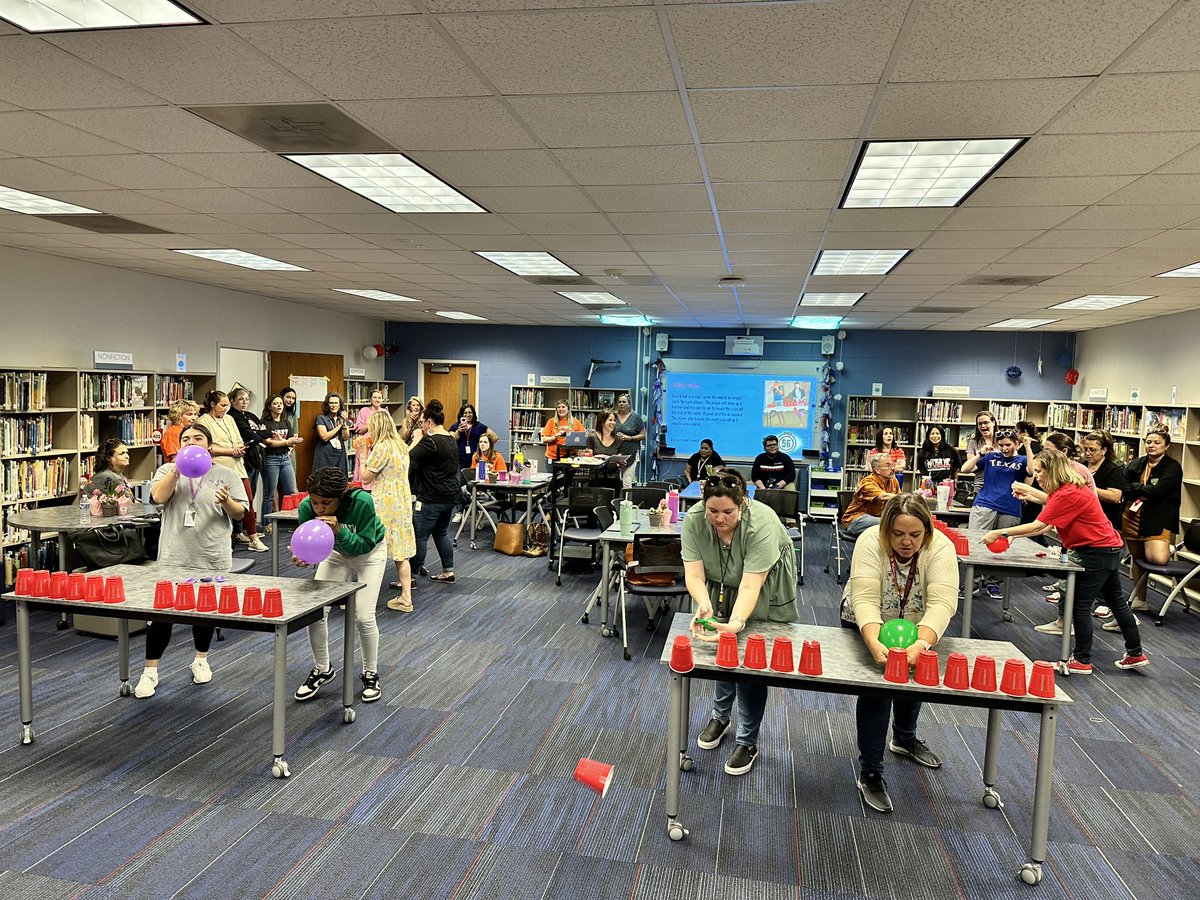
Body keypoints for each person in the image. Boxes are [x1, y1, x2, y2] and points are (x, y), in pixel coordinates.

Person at [844, 494, 959, 813]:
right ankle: (870, 771)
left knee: (914, 673)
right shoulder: (869, 541)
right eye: (898, 534)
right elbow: (864, 598)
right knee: (878, 689)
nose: (906, 542)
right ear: (885, 530)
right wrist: (873, 640)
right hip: (870, 620)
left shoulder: (941, 548)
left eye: (915, 534)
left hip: (917, 621)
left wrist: (920, 644)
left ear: (927, 532)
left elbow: (943, 603)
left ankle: (904, 739)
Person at [986, 449, 1148, 673]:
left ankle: (1082, 660)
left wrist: (1001, 533)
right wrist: (1020, 519)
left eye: (1040, 471)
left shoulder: (1067, 494)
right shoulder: (1070, 489)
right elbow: (1048, 514)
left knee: (1079, 606)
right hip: (1109, 548)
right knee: (1116, 602)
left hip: (1095, 552)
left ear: (1052, 470)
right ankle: (1135, 653)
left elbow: (1038, 526)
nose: (1037, 475)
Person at [683, 470, 798, 776]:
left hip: (763, 584)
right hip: (721, 584)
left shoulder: (761, 523)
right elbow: (694, 575)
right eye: (712, 511)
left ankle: (747, 740)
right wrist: (704, 603)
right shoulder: (694, 520)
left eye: (728, 512)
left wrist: (735, 622)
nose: (719, 519)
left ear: (743, 504)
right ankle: (721, 717)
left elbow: (750, 585)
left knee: (750, 660)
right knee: (722, 651)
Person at [134, 423, 247, 698]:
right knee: (162, 615)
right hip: (175, 555)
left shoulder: (226, 474)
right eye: (185, 439)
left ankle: (201, 659)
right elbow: (157, 497)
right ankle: (150, 672)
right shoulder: (167, 471)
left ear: (209, 445)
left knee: (204, 613)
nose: (191, 442)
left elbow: (241, 513)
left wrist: (226, 502)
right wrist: (175, 468)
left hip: (211, 554)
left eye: (198, 438)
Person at [291, 467, 386, 703]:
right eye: (315, 502)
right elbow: (311, 546)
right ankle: (322, 669)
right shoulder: (306, 507)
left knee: (363, 616)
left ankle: (370, 673)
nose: (319, 509)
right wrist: (304, 559)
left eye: (326, 503)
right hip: (336, 553)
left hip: (370, 552)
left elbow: (363, 545)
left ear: (341, 497)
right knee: (315, 612)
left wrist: (340, 530)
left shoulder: (362, 502)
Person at [960, 428, 1032, 599]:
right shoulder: (991, 457)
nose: (1005, 448)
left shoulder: (1021, 460)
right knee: (976, 542)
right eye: (1001, 445)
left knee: (1003, 545)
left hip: (1010, 507)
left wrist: (1028, 447)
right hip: (985, 503)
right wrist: (980, 453)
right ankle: (973, 582)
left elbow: (1031, 472)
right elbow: (965, 468)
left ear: (1016, 444)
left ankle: (994, 583)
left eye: (1008, 445)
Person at [197, 390, 268, 552]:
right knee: (219, 504)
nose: (225, 409)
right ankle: (224, 539)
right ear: (213, 405)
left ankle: (253, 538)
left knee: (248, 500)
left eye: (227, 405)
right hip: (218, 467)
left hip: (237, 466)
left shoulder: (229, 419)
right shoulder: (203, 421)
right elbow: (208, 447)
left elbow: (238, 439)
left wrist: (240, 449)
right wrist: (231, 451)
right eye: (222, 405)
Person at [361, 411, 416, 613]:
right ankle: (406, 598)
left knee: (373, 548)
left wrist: (363, 454)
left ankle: (363, 597)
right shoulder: (401, 446)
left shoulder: (381, 448)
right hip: (402, 500)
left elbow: (366, 478)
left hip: (385, 501)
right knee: (401, 552)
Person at [1123, 428, 1183, 611]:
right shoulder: (1136, 464)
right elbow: (1123, 486)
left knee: (1156, 558)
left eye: (1157, 442)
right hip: (1132, 516)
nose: (1152, 446)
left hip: (1158, 518)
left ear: (1167, 446)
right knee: (1137, 558)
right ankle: (1141, 600)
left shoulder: (1172, 467)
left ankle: (1167, 546)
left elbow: (1159, 492)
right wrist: (1142, 489)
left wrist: (1136, 488)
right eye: (1149, 442)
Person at [409, 399, 460, 584]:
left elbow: (407, 457)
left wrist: (416, 439)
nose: (421, 425)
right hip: (449, 496)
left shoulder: (430, 441)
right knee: (441, 533)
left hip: (430, 497)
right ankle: (448, 571)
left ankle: (411, 577)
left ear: (429, 422)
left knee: (420, 536)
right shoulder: (450, 439)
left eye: (423, 422)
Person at [227, 387, 271, 540]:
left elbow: (267, 432)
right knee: (244, 497)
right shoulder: (233, 417)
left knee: (251, 494)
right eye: (241, 399)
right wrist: (258, 434)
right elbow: (249, 434)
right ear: (232, 401)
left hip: (256, 458)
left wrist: (258, 434)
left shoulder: (249, 415)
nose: (245, 402)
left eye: (247, 399)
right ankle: (238, 530)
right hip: (244, 461)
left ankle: (247, 528)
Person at [260, 394, 302, 525]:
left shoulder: (286, 422)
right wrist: (286, 442)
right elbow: (268, 443)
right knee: (270, 494)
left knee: (291, 491)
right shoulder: (264, 423)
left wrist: (288, 445)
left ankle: (295, 522)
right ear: (269, 406)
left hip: (285, 458)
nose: (279, 406)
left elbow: (291, 440)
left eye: (280, 404)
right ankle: (267, 524)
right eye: (275, 403)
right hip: (270, 459)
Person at [841, 456, 901, 537]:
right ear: (877, 470)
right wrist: (909, 498)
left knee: (898, 521)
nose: (893, 468)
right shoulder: (867, 483)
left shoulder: (893, 480)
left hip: (878, 518)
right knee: (890, 523)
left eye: (893, 465)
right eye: (888, 465)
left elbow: (900, 499)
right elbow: (883, 496)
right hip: (856, 520)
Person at [585, 409, 627, 491]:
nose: (613, 423)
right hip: (596, 479)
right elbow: (588, 458)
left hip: (613, 479)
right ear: (602, 421)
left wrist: (621, 462)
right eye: (610, 420)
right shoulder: (592, 437)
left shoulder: (619, 439)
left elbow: (620, 458)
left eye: (614, 420)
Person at [312, 392, 351, 478]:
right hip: (325, 455)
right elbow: (324, 437)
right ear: (327, 405)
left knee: (339, 480)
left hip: (339, 454)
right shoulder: (321, 418)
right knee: (323, 480)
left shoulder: (342, 418)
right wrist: (340, 425)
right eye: (331, 403)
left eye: (336, 403)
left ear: (340, 405)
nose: (334, 405)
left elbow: (345, 437)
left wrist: (344, 424)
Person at [450, 402, 498, 471]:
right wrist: (458, 431)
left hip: (475, 460)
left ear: (473, 414)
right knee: (460, 480)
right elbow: (450, 441)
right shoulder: (455, 426)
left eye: (470, 412)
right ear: (461, 414)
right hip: (459, 461)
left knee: (474, 480)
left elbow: (495, 437)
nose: (468, 415)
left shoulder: (479, 426)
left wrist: (485, 447)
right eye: (465, 413)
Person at [352, 389, 385, 486]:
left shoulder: (384, 412)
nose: (377, 400)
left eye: (379, 398)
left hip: (380, 446)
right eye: (374, 397)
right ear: (370, 399)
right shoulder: (364, 411)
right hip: (366, 446)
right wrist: (372, 422)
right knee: (364, 470)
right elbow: (359, 430)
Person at [613, 393, 646, 489]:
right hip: (615, 452)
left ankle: (627, 503)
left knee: (627, 482)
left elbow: (643, 435)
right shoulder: (614, 416)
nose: (621, 404)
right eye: (619, 402)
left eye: (624, 402)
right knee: (615, 481)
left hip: (631, 452)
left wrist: (629, 438)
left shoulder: (636, 417)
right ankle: (615, 502)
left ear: (629, 404)